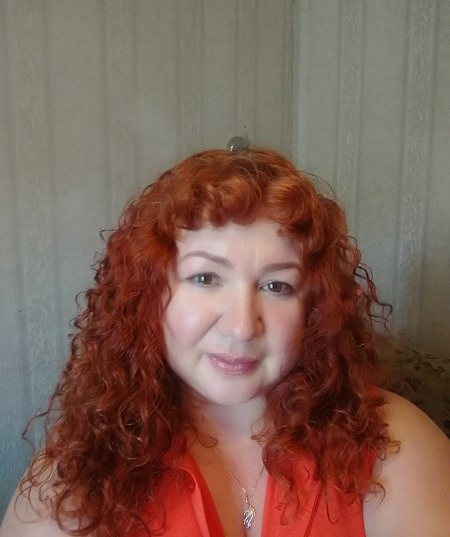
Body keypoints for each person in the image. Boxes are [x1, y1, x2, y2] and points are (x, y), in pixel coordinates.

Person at [1, 143, 449, 537]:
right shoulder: (78, 475)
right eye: (205, 278)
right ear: (148, 295)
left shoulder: (393, 445)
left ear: (315, 309)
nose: (242, 326)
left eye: (277, 286)